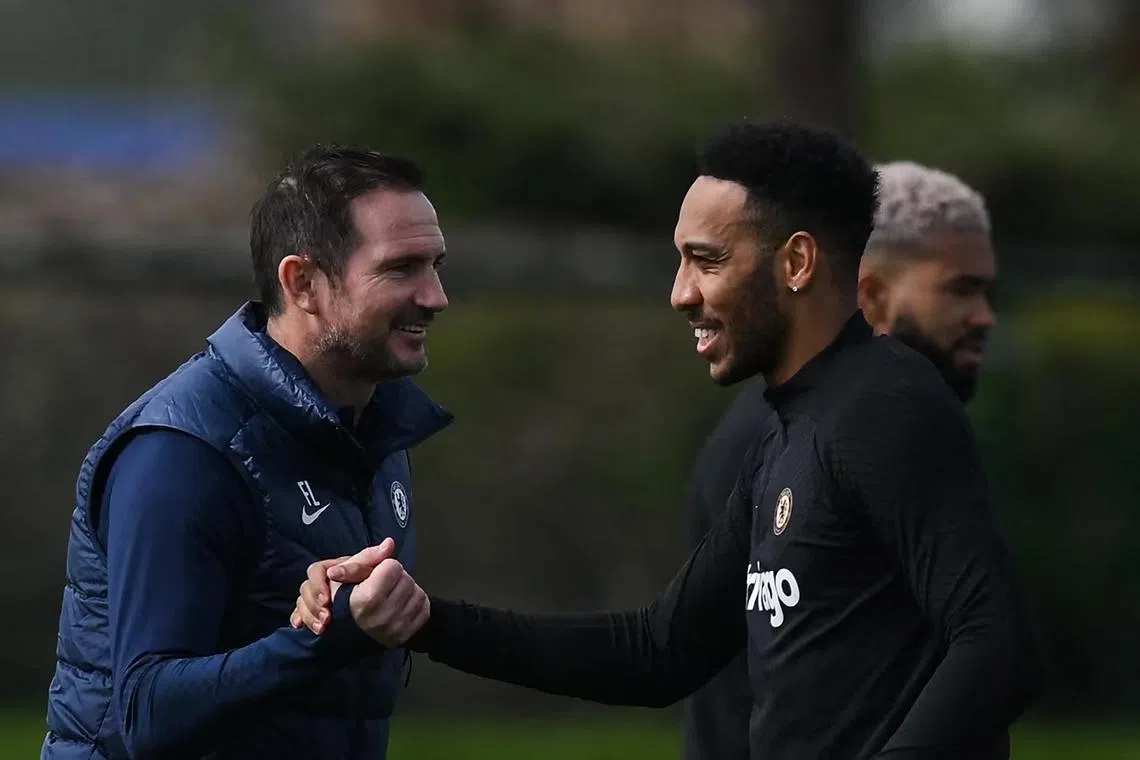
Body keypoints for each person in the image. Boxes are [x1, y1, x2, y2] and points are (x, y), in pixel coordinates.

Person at [295, 121, 1045, 759]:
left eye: (707, 260)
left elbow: (995, 642)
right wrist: (426, 620)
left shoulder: (888, 404)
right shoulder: (783, 431)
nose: (681, 292)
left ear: (796, 263)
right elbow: (658, 652)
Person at [41, 145, 451, 760]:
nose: (436, 295)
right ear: (303, 282)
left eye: (435, 265)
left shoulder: (376, 432)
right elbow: (148, 713)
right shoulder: (183, 452)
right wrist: (327, 638)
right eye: (401, 269)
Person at [680, 159, 999, 760]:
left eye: (986, 290)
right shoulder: (771, 441)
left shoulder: (901, 428)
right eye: (960, 289)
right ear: (868, 292)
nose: (984, 316)